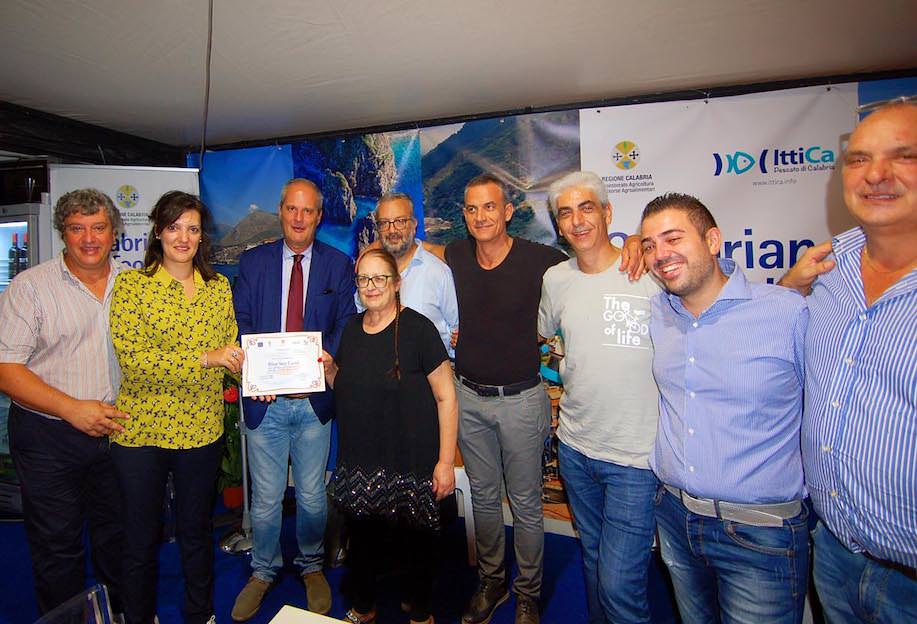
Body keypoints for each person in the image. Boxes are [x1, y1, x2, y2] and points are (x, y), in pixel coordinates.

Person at [640, 193, 809, 624]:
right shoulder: (657, 312)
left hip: (761, 532)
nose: (660, 254)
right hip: (675, 518)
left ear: (713, 240)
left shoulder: (787, 312)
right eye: (649, 245)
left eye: (673, 238)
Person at [781, 99, 916, 623]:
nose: (875, 174)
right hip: (835, 555)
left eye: (903, 156)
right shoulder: (825, 269)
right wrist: (790, 288)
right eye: (859, 159)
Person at [108, 191, 239, 624]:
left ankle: (200, 614)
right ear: (158, 233)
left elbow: (230, 353)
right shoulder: (132, 286)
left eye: (192, 229)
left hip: (200, 429)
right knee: (140, 537)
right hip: (141, 431)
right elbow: (135, 362)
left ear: (202, 237)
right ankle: (139, 616)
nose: (183, 237)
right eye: (174, 227)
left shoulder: (218, 289)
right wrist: (206, 358)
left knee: (196, 532)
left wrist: (264, 377)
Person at [537, 172, 660, 624]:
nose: (577, 220)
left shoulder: (647, 271)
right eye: (565, 213)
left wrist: (642, 243)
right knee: (592, 556)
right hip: (575, 448)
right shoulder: (556, 279)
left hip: (635, 458)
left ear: (607, 212)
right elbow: (545, 336)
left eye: (586, 208)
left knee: (619, 584)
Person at [444, 173, 567, 624]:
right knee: (483, 497)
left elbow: (589, 260)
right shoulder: (457, 254)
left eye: (490, 206)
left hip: (521, 401)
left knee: (526, 503)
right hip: (469, 399)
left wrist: (630, 245)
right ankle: (491, 582)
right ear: (464, 215)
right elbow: (417, 254)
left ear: (508, 211)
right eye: (472, 208)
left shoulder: (541, 259)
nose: (481, 216)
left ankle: (527, 593)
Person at [231, 177, 356, 621]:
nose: (299, 218)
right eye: (292, 209)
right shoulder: (253, 262)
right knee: (265, 499)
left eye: (308, 211)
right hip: (264, 402)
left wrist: (326, 360)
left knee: (312, 496)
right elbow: (241, 319)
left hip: (312, 403)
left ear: (319, 216)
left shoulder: (338, 264)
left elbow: (345, 321)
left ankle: (311, 566)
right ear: (281, 212)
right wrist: (255, 369)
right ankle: (262, 571)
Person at [0, 188, 127, 616]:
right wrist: (71, 408)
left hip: (116, 432)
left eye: (98, 227)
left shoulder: (134, 285)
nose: (89, 239)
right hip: (48, 436)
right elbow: (6, 369)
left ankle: (120, 614)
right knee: (57, 546)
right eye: (77, 228)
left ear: (114, 233)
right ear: (62, 233)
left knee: (118, 537)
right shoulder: (30, 288)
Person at [322, 248, 458, 624]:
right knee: (363, 542)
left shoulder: (419, 330)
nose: (371, 286)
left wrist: (446, 462)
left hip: (410, 459)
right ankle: (364, 607)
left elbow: (446, 397)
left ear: (396, 284)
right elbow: (345, 386)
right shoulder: (352, 329)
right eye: (363, 279)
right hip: (361, 460)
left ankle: (420, 614)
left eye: (380, 278)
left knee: (417, 545)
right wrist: (330, 370)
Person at [363, 192, 458, 355]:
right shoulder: (368, 274)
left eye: (400, 221)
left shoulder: (438, 272)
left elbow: (458, 331)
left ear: (414, 225)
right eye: (384, 223)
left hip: (432, 369)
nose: (392, 230)